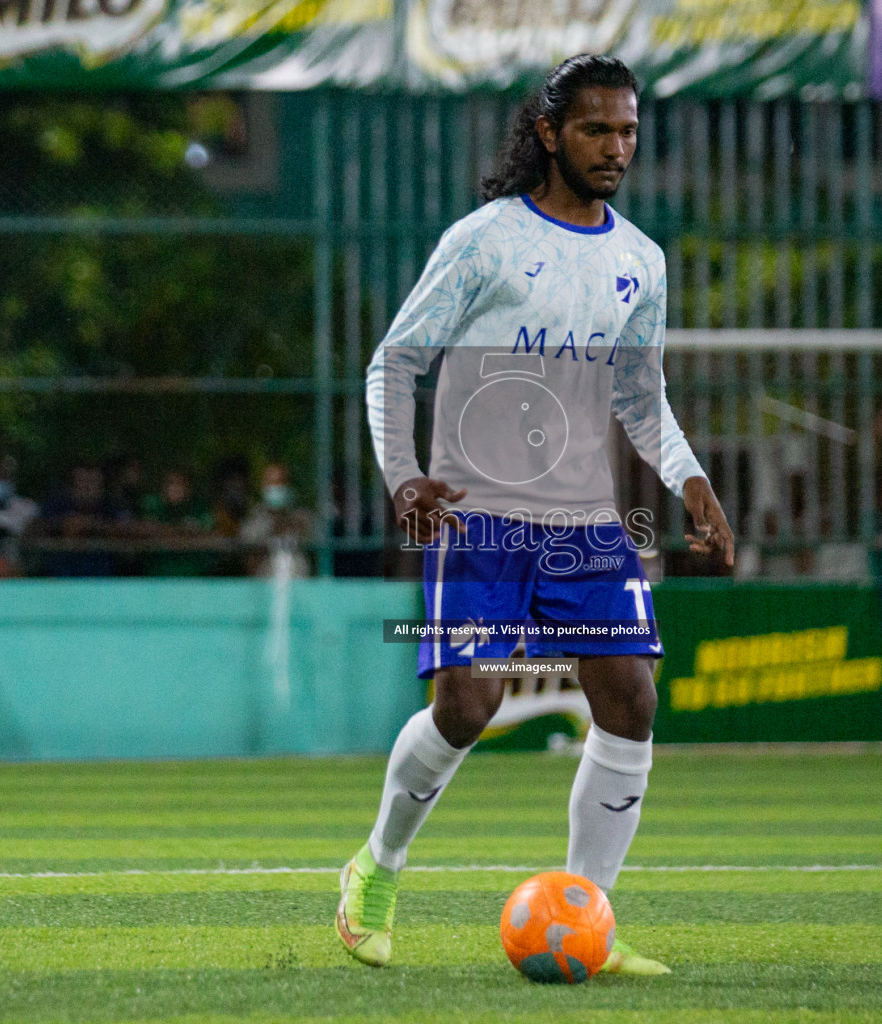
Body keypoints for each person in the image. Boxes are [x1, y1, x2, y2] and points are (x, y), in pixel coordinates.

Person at [344, 54, 734, 975]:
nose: (617, 147)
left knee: (632, 702)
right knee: (468, 703)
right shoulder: (482, 242)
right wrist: (402, 475)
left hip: (585, 523)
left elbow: (641, 397)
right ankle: (377, 868)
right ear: (551, 134)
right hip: (479, 516)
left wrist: (690, 478)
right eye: (598, 130)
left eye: (630, 131)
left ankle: (587, 918)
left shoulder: (641, 260)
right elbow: (394, 365)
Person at [238, 462, 315, 577]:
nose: (275, 489)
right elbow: (247, 553)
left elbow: (322, 545)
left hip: (300, 586)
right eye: (271, 484)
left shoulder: (302, 517)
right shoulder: (253, 521)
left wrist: (298, 526)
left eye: (280, 483)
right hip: (265, 586)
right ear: (263, 486)